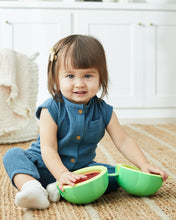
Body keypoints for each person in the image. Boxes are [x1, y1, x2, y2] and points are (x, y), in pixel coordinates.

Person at [3, 34, 168, 210]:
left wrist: (144, 164)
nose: (79, 83)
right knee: (12, 156)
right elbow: (48, 148)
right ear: (56, 78)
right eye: (70, 76)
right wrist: (61, 174)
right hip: (42, 166)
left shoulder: (105, 111)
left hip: (81, 171)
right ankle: (32, 187)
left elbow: (124, 140)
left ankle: (58, 189)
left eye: (88, 75)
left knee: (114, 175)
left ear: (100, 77)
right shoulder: (50, 109)